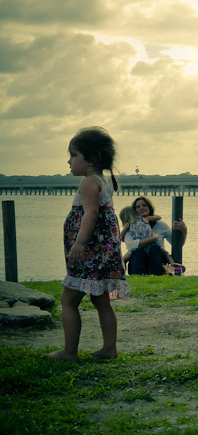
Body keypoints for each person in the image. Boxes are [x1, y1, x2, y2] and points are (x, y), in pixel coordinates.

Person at [48, 127, 129, 360]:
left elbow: (91, 214)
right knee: (101, 300)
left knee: (68, 300)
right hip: (102, 254)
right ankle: (109, 348)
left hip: (89, 253)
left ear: (93, 158)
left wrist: (79, 244)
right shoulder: (101, 181)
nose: (69, 161)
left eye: (74, 155)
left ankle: (69, 351)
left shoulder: (88, 183)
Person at [128, 196, 187, 275]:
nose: (141, 208)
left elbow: (177, 245)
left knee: (155, 249)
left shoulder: (161, 225)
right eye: (138, 207)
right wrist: (153, 239)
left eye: (144, 205)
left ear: (149, 207)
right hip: (138, 261)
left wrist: (184, 230)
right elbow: (130, 245)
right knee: (139, 251)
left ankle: (157, 275)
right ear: (135, 211)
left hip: (157, 260)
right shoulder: (131, 226)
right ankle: (139, 276)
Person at [118, 206, 176, 271]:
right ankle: (173, 265)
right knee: (166, 253)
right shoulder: (144, 218)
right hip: (150, 244)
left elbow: (120, 237)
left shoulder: (128, 224)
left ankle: (122, 270)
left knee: (125, 258)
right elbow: (158, 217)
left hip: (139, 247)